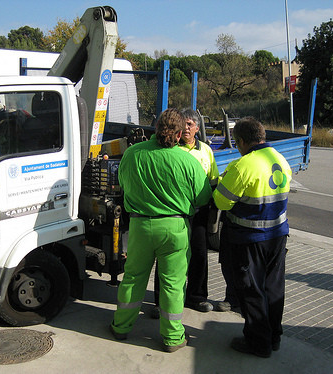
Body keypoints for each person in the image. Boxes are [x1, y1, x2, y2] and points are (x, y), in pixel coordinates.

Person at [109, 108, 212, 352]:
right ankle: (173, 337)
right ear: (178, 135)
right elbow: (203, 196)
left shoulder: (133, 154)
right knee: (173, 284)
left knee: (133, 278)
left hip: (141, 226)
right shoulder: (188, 161)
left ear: (155, 128)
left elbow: (123, 185)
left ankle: (121, 326)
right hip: (175, 228)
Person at [213, 117, 291, 358]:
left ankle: (258, 343)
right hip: (278, 235)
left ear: (243, 141)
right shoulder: (280, 159)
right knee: (273, 287)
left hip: (250, 238)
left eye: (237, 143)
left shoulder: (243, 165)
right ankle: (273, 336)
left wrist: (221, 182)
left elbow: (221, 201)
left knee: (252, 290)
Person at [150, 108, 219, 317]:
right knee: (167, 257)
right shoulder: (171, 149)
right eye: (184, 124)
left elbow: (213, 180)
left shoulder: (206, 150)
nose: (187, 128)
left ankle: (197, 297)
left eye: (190, 124)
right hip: (175, 211)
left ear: (197, 128)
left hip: (198, 212)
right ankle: (161, 301)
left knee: (199, 254)